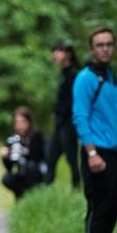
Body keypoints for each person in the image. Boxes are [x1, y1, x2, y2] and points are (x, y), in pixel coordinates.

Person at [72, 27, 117, 233]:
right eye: (99, 45)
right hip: (97, 153)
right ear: (91, 49)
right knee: (99, 207)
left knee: (113, 207)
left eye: (108, 44)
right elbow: (80, 116)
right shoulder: (85, 78)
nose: (105, 48)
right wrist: (91, 153)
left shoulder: (112, 76)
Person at [44, 42, 81, 188]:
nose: (55, 54)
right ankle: (46, 186)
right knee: (51, 155)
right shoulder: (64, 74)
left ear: (68, 54)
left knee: (71, 157)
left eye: (59, 51)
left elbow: (73, 100)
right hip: (60, 123)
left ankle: (76, 186)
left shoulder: (73, 74)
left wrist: (61, 111)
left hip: (69, 123)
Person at [0, 105, 47, 199]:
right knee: (7, 179)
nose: (20, 125)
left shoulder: (36, 136)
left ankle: (30, 197)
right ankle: (20, 198)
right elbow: (9, 168)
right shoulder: (12, 139)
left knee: (29, 168)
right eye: (17, 122)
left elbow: (38, 158)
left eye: (23, 122)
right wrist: (5, 157)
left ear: (29, 122)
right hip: (20, 172)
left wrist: (23, 150)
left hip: (35, 172)